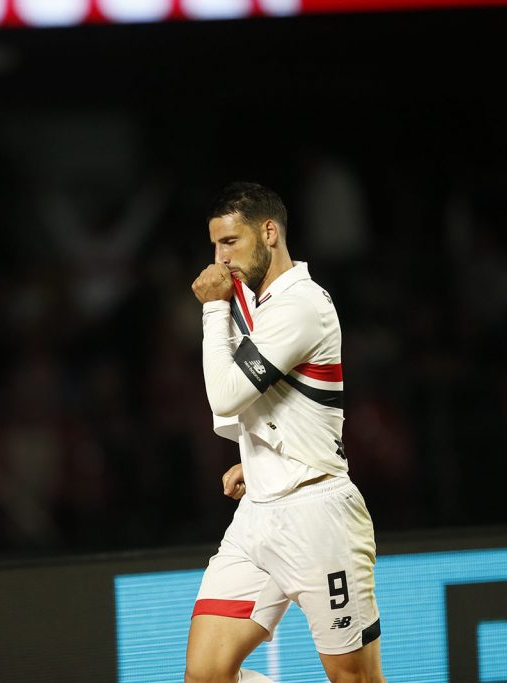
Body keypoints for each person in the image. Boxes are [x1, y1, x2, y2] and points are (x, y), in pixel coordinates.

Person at [186, 182, 386, 683]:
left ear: (269, 232)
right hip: (258, 518)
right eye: (214, 245)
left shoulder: (301, 304)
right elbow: (239, 417)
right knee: (206, 676)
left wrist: (212, 309)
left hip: (318, 517)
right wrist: (255, 458)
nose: (219, 257)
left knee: (354, 679)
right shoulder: (258, 302)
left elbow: (227, 395)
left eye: (229, 242)